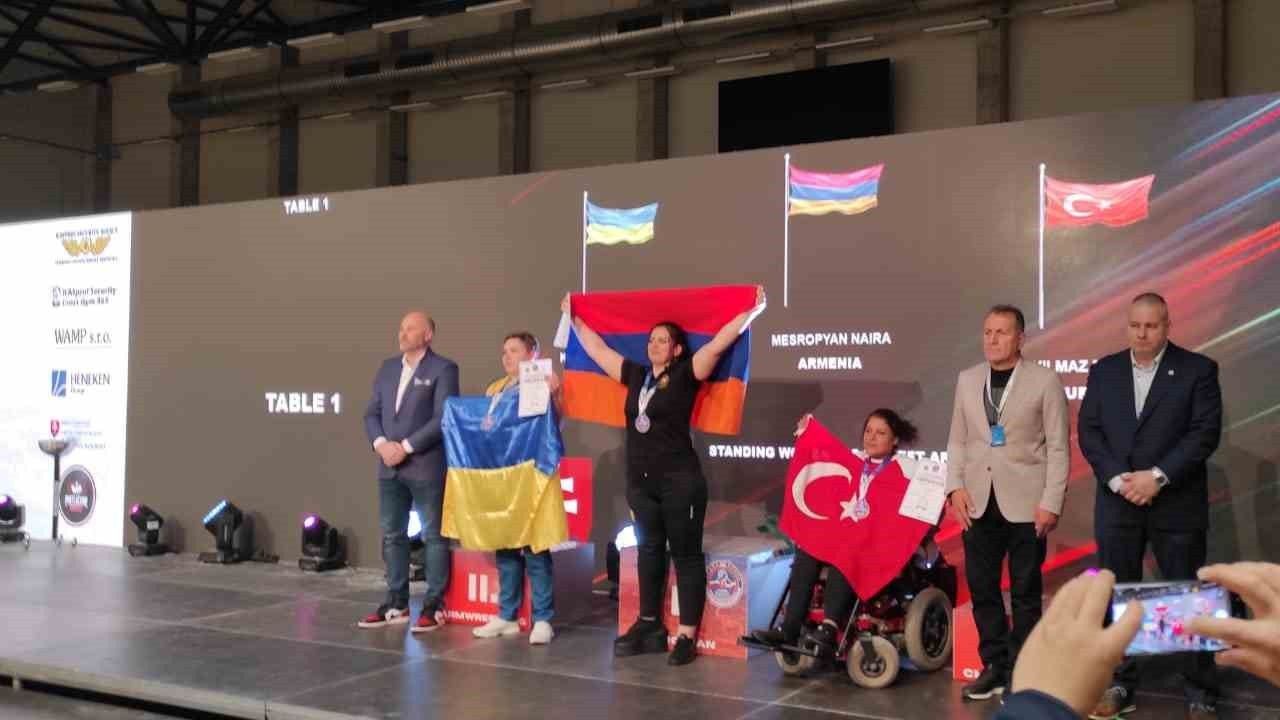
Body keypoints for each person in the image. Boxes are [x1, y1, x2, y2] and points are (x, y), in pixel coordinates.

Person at [563, 288, 762, 666]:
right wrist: (574, 318)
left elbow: (719, 344)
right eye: (651, 339)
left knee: (685, 555)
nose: (654, 345)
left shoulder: (688, 374)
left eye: (663, 340)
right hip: (641, 483)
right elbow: (598, 351)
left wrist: (749, 312)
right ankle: (649, 624)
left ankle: (686, 635)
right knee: (649, 551)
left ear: (677, 349)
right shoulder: (636, 375)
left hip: (680, 481)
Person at [1078, 292, 1223, 720]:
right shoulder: (1104, 371)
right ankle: (1120, 682)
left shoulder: (1198, 370)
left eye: (1151, 326)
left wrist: (1156, 477)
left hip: (1175, 502)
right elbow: (1089, 431)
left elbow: (1204, 433)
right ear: (1127, 326)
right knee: (1118, 594)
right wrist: (1119, 479)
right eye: (1135, 326)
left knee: (1186, 595)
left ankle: (1200, 691)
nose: (1142, 334)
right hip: (1118, 501)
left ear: (1167, 326)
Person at [945, 304, 1070, 701]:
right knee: (982, 589)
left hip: (1028, 504)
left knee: (1025, 593)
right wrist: (954, 487)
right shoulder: (968, 380)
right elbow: (958, 440)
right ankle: (995, 666)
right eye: (987, 332)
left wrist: (1051, 502)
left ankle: (1023, 672)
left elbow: (1059, 447)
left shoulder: (1044, 381)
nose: (992, 339)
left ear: (1020, 338)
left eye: (1001, 332)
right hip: (977, 502)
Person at [753, 408, 922, 657]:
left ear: (895, 439)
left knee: (845, 548)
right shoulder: (854, 461)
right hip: (845, 536)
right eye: (868, 431)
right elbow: (823, 456)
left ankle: (830, 628)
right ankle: (789, 629)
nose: (871, 437)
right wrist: (808, 433)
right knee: (808, 548)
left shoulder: (907, 468)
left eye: (880, 433)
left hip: (877, 544)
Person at [359, 311, 459, 632]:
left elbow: (443, 417)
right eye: (401, 328)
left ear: (428, 335)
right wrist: (381, 445)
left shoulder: (444, 368)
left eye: (411, 328)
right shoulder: (388, 368)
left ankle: (434, 605)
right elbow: (371, 413)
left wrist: (405, 446)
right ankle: (396, 602)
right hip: (389, 466)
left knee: (433, 537)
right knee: (392, 535)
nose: (402, 333)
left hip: (425, 465)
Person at [472, 332, 562, 646]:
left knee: (535, 549)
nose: (506, 356)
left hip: (533, 475)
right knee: (506, 546)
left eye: (514, 350)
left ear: (532, 354)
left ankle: (543, 619)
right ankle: (507, 616)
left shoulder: (544, 382)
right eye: (504, 351)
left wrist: (554, 394)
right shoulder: (495, 389)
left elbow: (554, 423)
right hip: (503, 477)